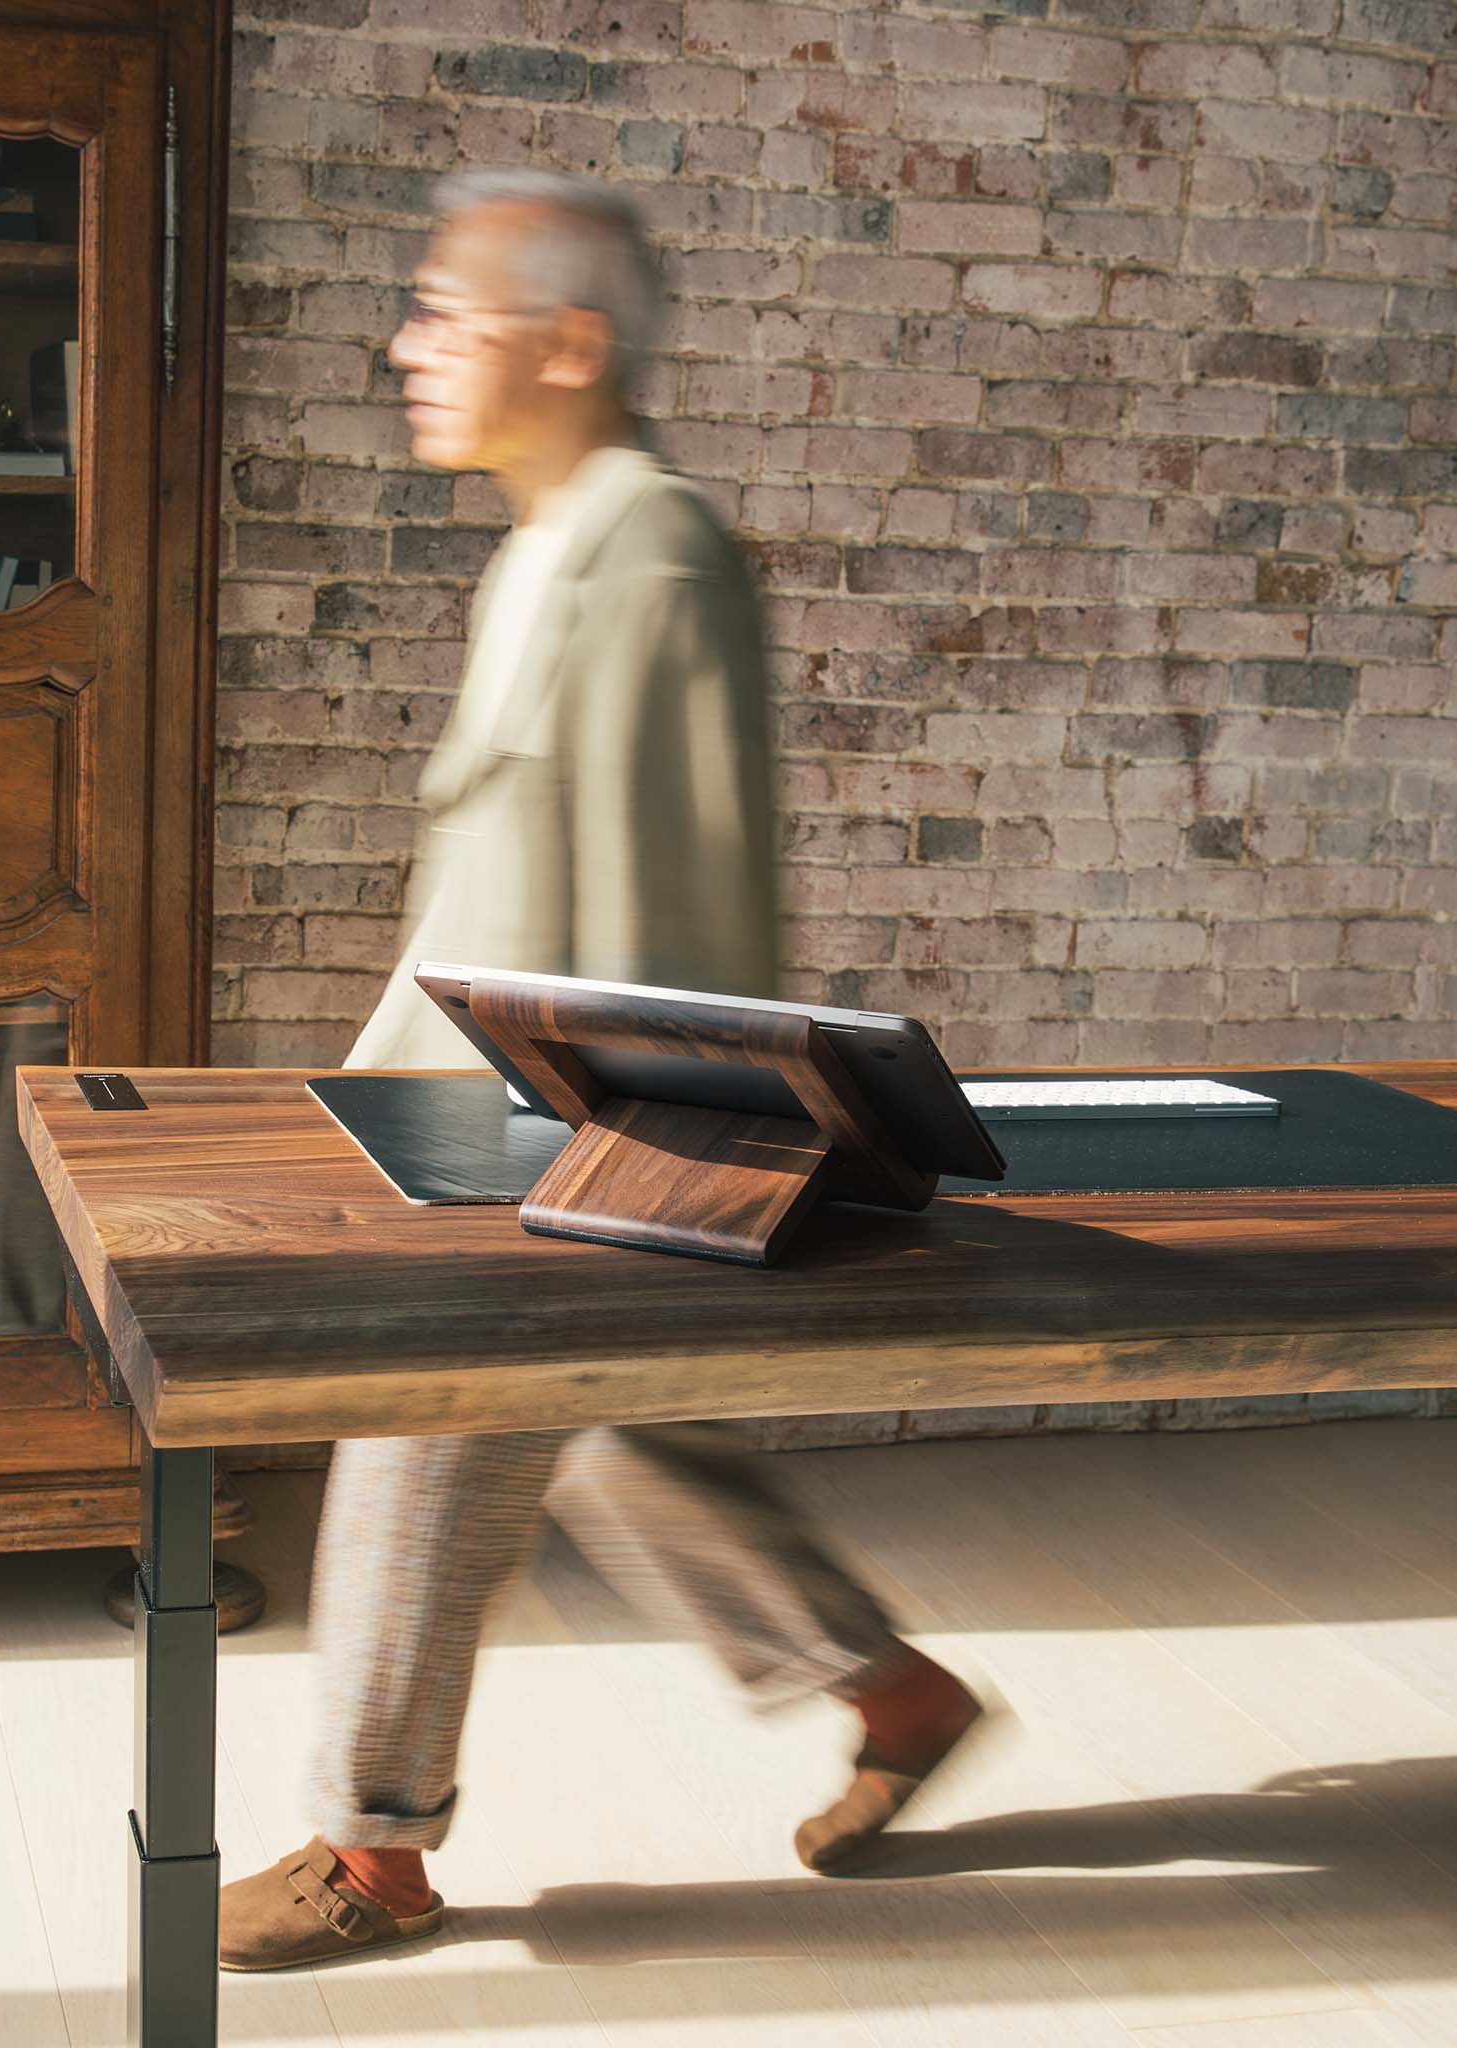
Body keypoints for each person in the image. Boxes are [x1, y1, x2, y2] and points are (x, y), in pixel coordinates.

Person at [217, 167, 989, 1974]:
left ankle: (373, 1852)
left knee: (431, 1425)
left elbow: (665, 913)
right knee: (611, 1442)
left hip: (582, 1131)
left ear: (565, 346)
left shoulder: (653, 551)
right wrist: (361, 1113)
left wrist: (586, 1187)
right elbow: (476, 918)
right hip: (498, 1112)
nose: (404, 349)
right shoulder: (551, 541)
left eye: (440, 316)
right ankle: (892, 1690)